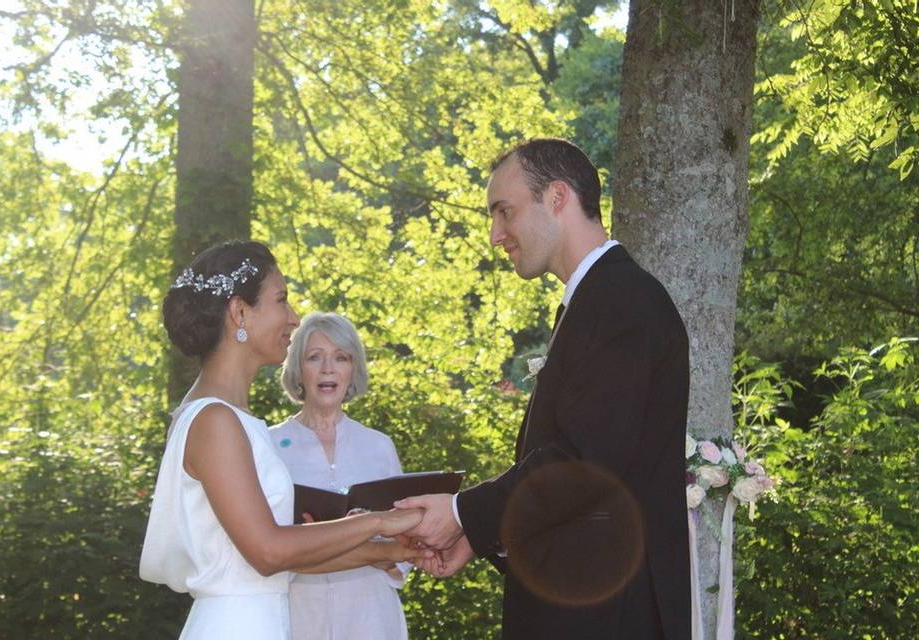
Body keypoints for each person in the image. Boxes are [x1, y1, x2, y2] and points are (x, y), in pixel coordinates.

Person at [396, 138, 692, 639]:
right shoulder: (596, 302)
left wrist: (462, 512)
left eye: (504, 212)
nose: (496, 235)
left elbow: (584, 462)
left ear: (557, 197)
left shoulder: (622, 301)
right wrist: (480, 534)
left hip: (609, 615)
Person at [139, 241, 426, 640]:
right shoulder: (215, 420)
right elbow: (269, 552)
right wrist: (377, 522)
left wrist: (387, 550)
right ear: (240, 312)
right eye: (282, 300)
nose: (293, 318)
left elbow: (273, 558)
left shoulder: (227, 418)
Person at [270, 311, 410, 640]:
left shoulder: (379, 446)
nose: (328, 369)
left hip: (372, 619)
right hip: (298, 619)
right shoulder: (269, 445)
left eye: (341, 358)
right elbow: (262, 547)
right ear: (298, 370)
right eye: (315, 357)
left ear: (352, 370)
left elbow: (404, 546)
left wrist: (391, 558)